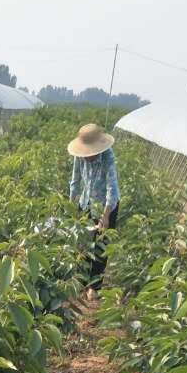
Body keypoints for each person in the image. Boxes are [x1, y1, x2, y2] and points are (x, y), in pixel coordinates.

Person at [68, 122, 120, 290]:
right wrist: (72, 208)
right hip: (87, 201)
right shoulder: (79, 155)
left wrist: (105, 216)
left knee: (100, 245)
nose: (87, 156)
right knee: (82, 241)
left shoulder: (107, 156)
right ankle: (82, 278)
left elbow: (112, 188)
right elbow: (75, 182)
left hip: (107, 205)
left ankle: (94, 286)